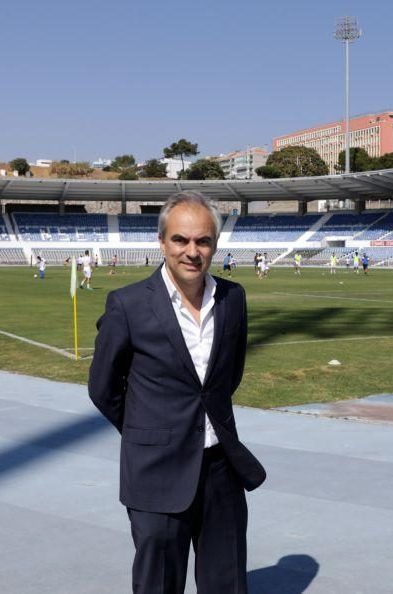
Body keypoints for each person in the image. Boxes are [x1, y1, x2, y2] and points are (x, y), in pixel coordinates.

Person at [88, 191, 265, 594]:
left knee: (227, 582)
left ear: (214, 246)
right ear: (162, 242)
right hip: (156, 470)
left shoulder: (233, 298)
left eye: (202, 241)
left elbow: (227, 376)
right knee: (159, 584)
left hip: (220, 467)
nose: (192, 251)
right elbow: (102, 388)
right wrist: (148, 430)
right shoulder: (128, 304)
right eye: (181, 240)